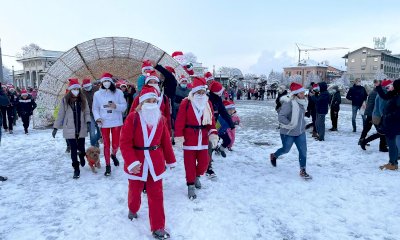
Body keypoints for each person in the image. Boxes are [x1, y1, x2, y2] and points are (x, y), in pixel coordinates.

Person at [120, 86, 176, 239]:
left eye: (154, 101)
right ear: (141, 103)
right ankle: (133, 208)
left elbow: (165, 142)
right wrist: (131, 162)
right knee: (135, 190)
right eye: (148, 101)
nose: (151, 104)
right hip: (137, 162)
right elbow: (124, 143)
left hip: (155, 162)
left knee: (156, 195)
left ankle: (158, 227)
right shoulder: (133, 118)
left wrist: (170, 160)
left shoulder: (161, 118)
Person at [174, 77, 219, 199]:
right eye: (198, 92)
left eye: (203, 92)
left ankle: (197, 176)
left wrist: (213, 133)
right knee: (189, 164)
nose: (201, 94)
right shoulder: (186, 103)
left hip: (203, 138)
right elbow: (179, 121)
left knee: (204, 163)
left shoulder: (207, 103)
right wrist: (179, 136)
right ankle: (190, 186)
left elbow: (211, 121)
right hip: (189, 138)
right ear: (193, 92)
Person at [270, 82, 312, 179]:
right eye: (301, 93)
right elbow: (281, 116)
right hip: (288, 132)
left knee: (303, 151)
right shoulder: (289, 103)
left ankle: (303, 170)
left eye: (303, 92)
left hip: (300, 131)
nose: (303, 94)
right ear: (295, 94)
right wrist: (290, 124)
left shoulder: (303, 102)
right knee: (286, 149)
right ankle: (274, 155)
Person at [53, 79, 91, 179]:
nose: (75, 90)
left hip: (81, 127)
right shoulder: (65, 100)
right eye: (73, 89)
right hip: (69, 128)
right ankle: (76, 168)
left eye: (77, 88)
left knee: (81, 148)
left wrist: (87, 122)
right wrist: (56, 127)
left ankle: (82, 155)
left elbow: (87, 112)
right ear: (70, 90)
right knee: (73, 149)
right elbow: (61, 114)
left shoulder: (83, 99)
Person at [92, 72, 127, 176]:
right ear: (102, 83)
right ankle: (108, 166)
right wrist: (97, 118)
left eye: (108, 81)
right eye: (104, 81)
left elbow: (124, 106)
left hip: (116, 121)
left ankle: (113, 154)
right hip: (104, 122)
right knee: (106, 144)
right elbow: (95, 108)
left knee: (116, 143)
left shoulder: (118, 92)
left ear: (111, 82)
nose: (106, 83)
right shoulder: (97, 94)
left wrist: (116, 106)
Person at [205, 80, 235, 178]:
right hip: (206, 125)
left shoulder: (218, 99)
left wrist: (231, 124)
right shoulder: (207, 99)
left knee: (211, 144)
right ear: (216, 92)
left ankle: (208, 164)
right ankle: (208, 167)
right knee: (209, 145)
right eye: (220, 91)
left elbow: (224, 112)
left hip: (213, 126)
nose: (222, 93)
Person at [359, 80, 387, 151]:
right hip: (374, 114)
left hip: (372, 113)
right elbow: (380, 106)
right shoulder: (380, 93)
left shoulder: (373, 92)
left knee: (369, 129)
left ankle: (363, 140)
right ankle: (364, 141)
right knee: (380, 132)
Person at [378, 79, 400, 170]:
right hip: (391, 123)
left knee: (391, 143)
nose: (392, 86)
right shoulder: (395, 94)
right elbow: (385, 97)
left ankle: (392, 163)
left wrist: (389, 115)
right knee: (392, 143)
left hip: (393, 124)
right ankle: (394, 163)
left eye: (394, 85)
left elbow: (398, 112)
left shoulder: (398, 97)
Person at [81, 78, 101, 147]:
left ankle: (96, 140)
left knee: (100, 130)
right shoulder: (82, 92)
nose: (87, 88)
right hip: (89, 113)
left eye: (88, 87)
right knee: (92, 130)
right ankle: (93, 145)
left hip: (98, 113)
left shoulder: (97, 89)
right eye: (85, 87)